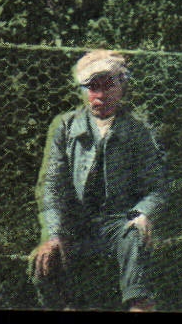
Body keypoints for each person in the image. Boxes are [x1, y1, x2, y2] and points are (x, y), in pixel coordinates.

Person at [29, 50, 167, 312]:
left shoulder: (138, 131)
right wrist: (55, 234)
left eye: (108, 86)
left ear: (122, 87)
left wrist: (142, 214)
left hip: (117, 221)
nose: (100, 96)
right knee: (44, 262)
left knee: (135, 239)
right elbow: (51, 187)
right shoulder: (65, 127)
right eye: (92, 88)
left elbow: (156, 188)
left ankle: (139, 305)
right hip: (75, 224)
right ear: (82, 90)